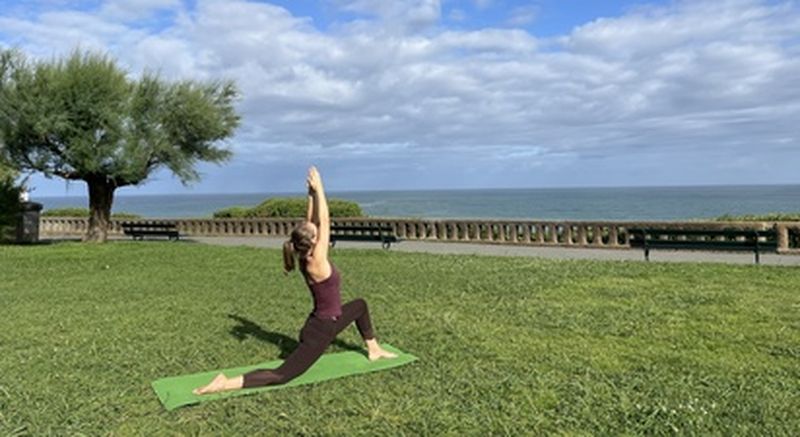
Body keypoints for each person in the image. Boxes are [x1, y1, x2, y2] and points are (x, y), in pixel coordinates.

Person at [194, 166, 396, 395]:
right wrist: (321, 188)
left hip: (327, 320)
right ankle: (224, 383)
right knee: (282, 375)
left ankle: (374, 348)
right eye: (316, 232)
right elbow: (325, 220)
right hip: (321, 331)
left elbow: (309, 221)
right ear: (313, 242)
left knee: (360, 305)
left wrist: (310, 194)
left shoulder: (304, 254)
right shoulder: (316, 261)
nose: (319, 230)